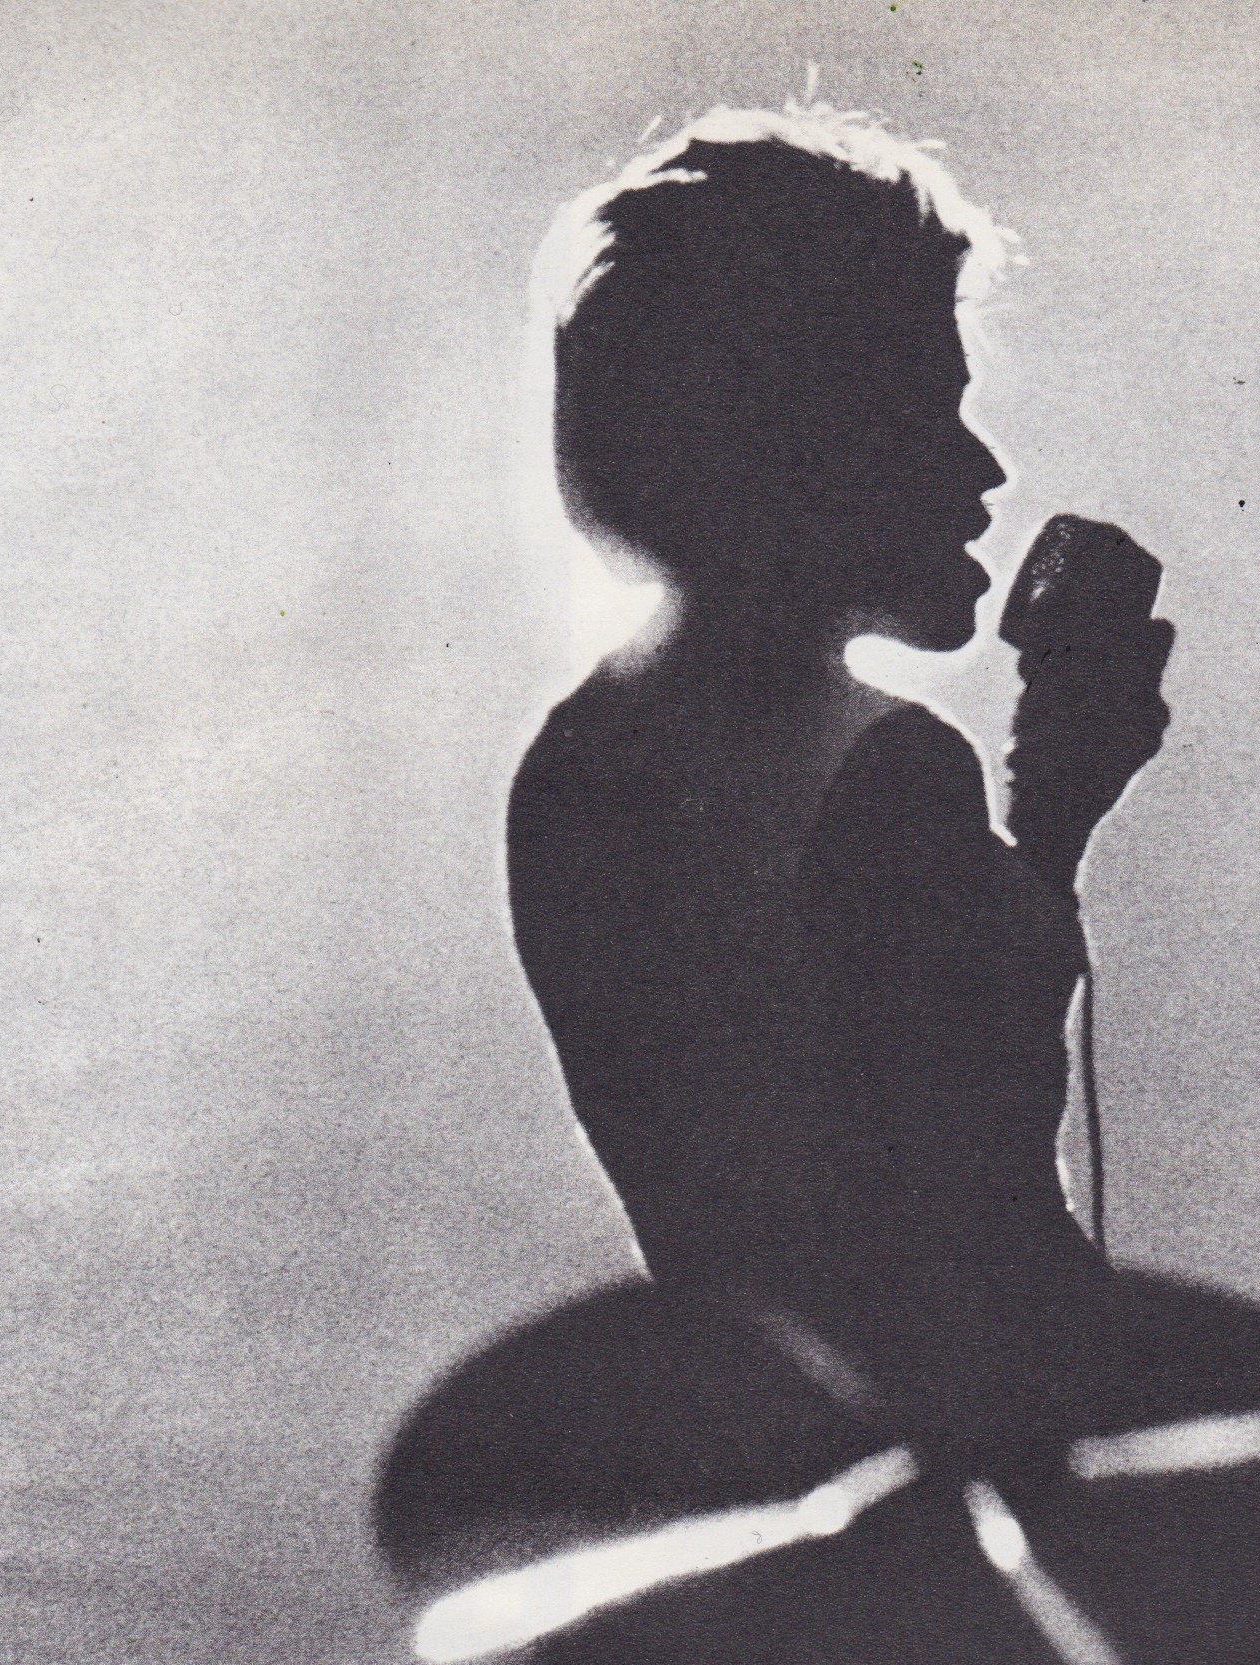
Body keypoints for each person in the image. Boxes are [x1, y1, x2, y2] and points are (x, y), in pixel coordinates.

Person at [508, 102, 1172, 1419]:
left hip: (766, 1437)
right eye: (930, 412)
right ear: (801, 438)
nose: (984, 470)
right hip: (953, 1451)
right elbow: (966, 1236)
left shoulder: (579, 758)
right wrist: (1051, 819)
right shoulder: (895, 772)